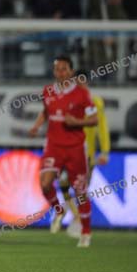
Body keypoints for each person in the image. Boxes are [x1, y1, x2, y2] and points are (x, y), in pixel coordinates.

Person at [28, 56, 98, 248]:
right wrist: (36, 126)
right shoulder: (47, 91)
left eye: (64, 69)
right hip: (53, 146)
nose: (60, 72)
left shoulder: (82, 94)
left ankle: (86, 232)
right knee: (45, 184)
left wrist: (77, 122)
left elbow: (94, 120)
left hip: (76, 148)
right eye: (57, 69)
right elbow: (46, 111)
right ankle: (59, 210)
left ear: (71, 72)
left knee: (80, 191)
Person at [58, 70, 110, 238]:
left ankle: (80, 220)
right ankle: (77, 217)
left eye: (81, 82)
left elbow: (102, 128)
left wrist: (105, 151)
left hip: (87, 154)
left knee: (81, 189)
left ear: (86, 82)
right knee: (63, 182)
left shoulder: (95, 102)